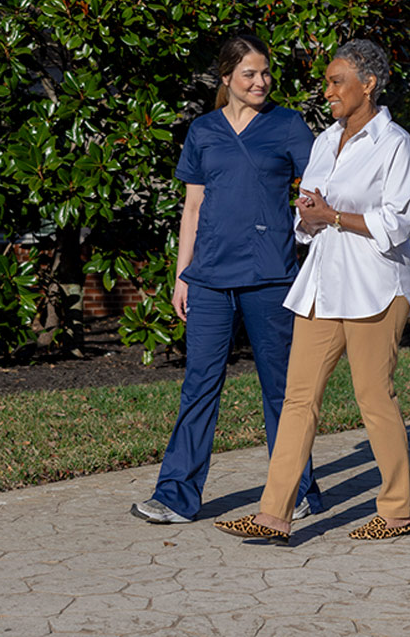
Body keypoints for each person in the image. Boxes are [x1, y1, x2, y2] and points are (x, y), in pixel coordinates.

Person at [213, 38, 410, 543]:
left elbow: (399, 223)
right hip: (322, 287)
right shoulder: (326, 140)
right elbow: (308, 217)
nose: (326, 90)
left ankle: (397, 513)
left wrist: (333, 215)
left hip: (375, 288)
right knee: (297, 400)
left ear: (368, 84)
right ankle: (273, 515)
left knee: (374, 397)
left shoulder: (396, 145)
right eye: (326, 81)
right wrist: (309, 216)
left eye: (336, 81)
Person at [131, 35, 322, 524]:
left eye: (265, 73)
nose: (260, 82)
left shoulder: (287, 126)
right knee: (199, 385)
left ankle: (296, 491)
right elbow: (192, 207)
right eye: (249, 75)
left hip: (270, 277)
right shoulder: (203, 131)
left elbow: (320, 188)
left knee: (281, 389)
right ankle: (175, 495)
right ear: (226, 80)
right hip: (210, 278)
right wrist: (182, 275)